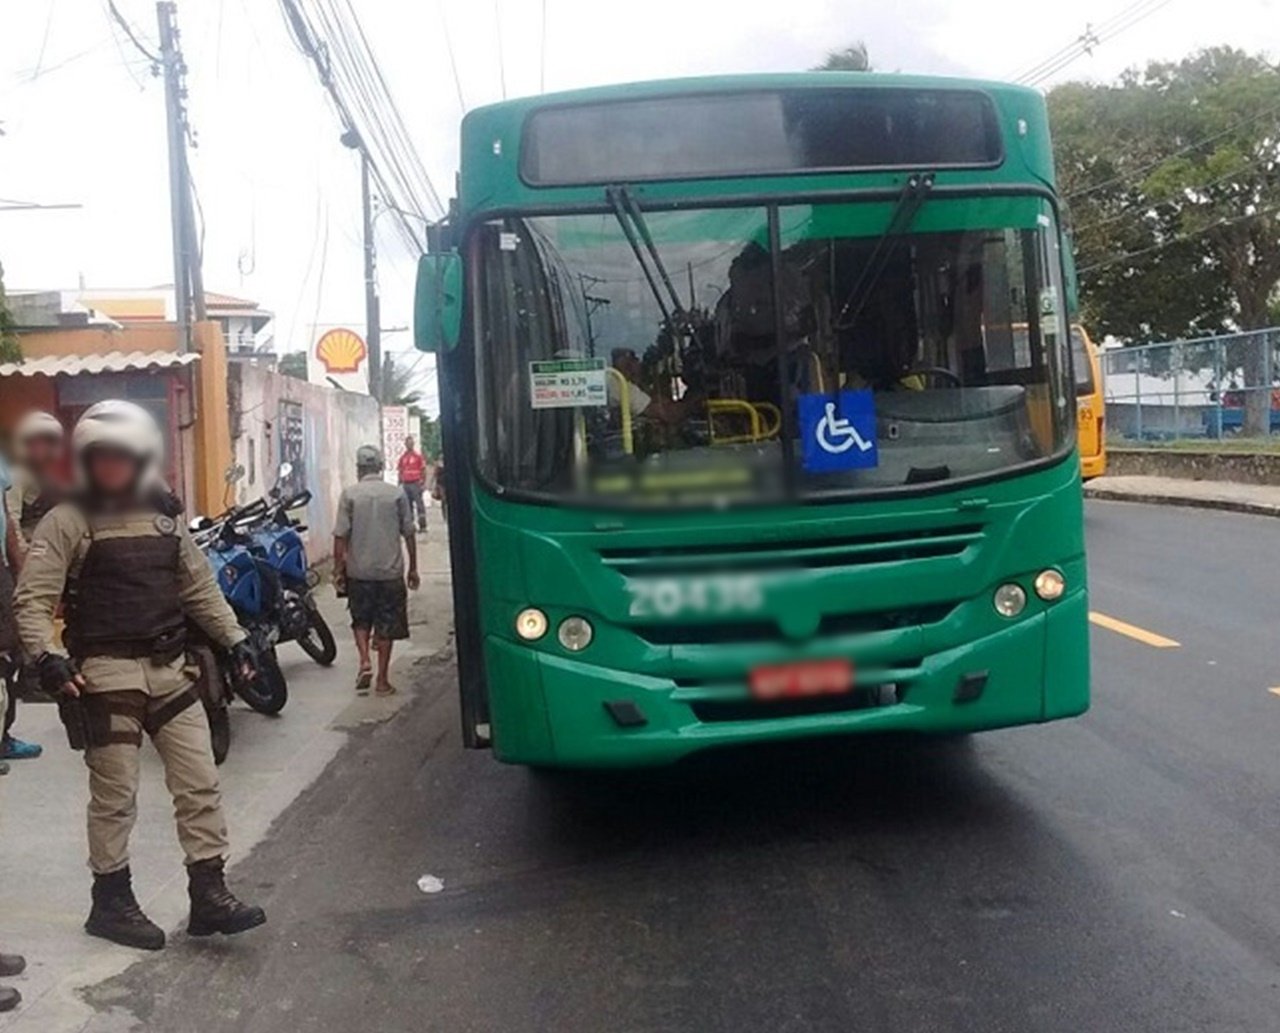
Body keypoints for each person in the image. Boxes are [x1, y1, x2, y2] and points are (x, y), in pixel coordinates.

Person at [14, 400, 265, 951]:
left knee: (200, 783)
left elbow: (198, 588)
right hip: (105, 676)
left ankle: (209, 893)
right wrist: (48, 657)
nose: (114, 464)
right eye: (102, 455)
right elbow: (32, 601)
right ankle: (111, 901)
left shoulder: (165, 518)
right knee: (115, 796)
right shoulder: (68, 520)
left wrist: (237, 639)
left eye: (123, 454)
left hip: (172, 671)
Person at [334, 445, 419, 696]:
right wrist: (413, 567)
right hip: (390, 573)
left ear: (359, 469)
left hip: (359, 573)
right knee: (386, 626)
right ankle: (382, 680)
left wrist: (339, 570)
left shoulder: (349, 495)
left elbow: (340, 536)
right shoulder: (396, 494)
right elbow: (409, 533)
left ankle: (364, 660)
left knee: (360, 619)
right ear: (381, 467)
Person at [396, 435, 428, 533]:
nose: (409, 445)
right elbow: (400, 471)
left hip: (415, 483)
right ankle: (410, 526)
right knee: (407, 506)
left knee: (419, 505)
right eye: (407, 443)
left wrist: (422, 483)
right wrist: (399, 483)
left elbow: (423, 470)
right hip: (406, 484)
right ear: (405, 444)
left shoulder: (418, 457)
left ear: (413, 444)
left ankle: (422, 526)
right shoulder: (403, 458)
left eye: (411, 443)